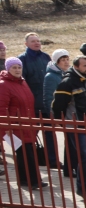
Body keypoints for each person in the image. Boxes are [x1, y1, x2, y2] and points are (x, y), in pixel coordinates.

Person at [52, 55, 86, 201]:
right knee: (84, 157)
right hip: (76, 126)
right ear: (76, 66)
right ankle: (83, 188)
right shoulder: (67, 83)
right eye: (85, 66)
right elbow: (58, 107)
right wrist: (66, 124)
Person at [0, 58, 44, 190]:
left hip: (27, 123)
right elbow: (1, 108)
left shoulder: (22, 82)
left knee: (25, 153)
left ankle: (25, 180)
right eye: (14, 67)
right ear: (8, 69)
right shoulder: (3, 85)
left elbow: (29, 103)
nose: (17, 70)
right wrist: (7, 127)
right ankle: (33, 180)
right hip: (15, 126)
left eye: (19, 67)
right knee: (27, 153)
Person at [19, 33, 55, 167]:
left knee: (50, 133)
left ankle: (52, 161)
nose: (37, 43)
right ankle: (33, 162)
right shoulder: (22, 59)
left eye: (38, 41)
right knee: (31, 134)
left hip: (46, 103)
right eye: (33, 41)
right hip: (32, 104)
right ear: (26, 44)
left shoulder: (46, 57)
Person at [43, 49, 70, 173]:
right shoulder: (51, 76)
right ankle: (54, 160)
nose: (66, 62)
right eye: (62, 60)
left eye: (67, 59)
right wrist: (53, 115)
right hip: (57, 113)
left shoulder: (66, 74)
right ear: (56, 61)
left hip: (66, 111)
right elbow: (49, 97)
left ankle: (70, 163)